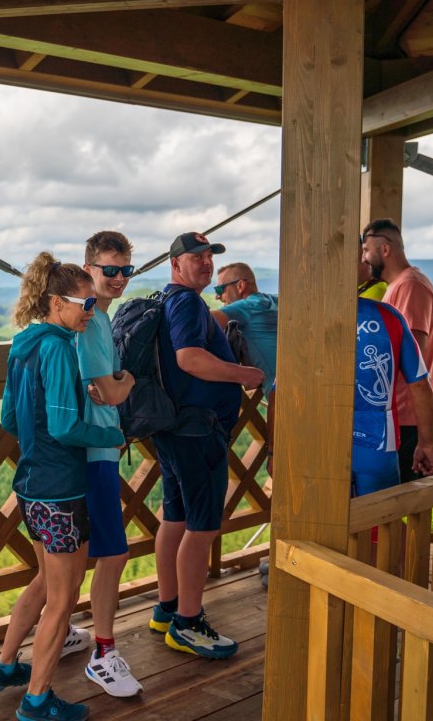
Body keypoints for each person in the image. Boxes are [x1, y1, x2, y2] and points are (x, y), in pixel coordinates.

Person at [0, 252, 125, 721]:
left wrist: (40, 439)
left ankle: (6, 667)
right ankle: (38, 699)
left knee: (46, 582)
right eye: (85, 304)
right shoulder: (61, 348)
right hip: (62, 488)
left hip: (30, 484)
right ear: (56, 302)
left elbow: (9, 418)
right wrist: (109, 434)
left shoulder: (23, 343)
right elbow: (65, 428)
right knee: (62, 600)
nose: (91, 311)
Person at [149, 232, 263, 659]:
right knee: (202, 527)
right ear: (175, 264)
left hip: (173, 427)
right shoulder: (187, 303)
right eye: (195, 257)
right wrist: (244, 374)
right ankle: (188, 623)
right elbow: (189, 359)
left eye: (209, 257)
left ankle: (167, 608)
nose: (205, 263)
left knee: (176, 517)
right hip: (197, 430)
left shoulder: (166, 301)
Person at [76, 231, 142, 697]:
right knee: (113, 554)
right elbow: (110, 391)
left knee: (67, 557)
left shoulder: (90, 316)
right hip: (95, 448)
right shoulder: (93, 321)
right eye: (110, 270)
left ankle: (50, 636)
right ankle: (103, 652)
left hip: (82, 447)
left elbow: (104, 387)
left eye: (126, 270)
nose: (119, 279)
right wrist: (128, 379)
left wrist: (114, 385)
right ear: (89, 269)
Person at [361, 219, 433, 483]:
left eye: (366, 250)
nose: (363, 259)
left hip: (407, 414)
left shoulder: (410, 286)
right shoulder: (400, 286)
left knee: (397, 496)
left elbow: (410, 356)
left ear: (385, 249)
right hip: (398, 413)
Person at [352, 297, 433, 497]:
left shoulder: (304, 316)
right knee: (380, 513)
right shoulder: (388, 316)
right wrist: (426, 443)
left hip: (320, 435)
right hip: (379, 439)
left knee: (323, 513)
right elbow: (420, 385)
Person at [209, 262, 278, 394]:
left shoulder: (248, 307)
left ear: (240, 286)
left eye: (220, 290)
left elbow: (200, 321)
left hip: (283, 395)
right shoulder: (273, 300)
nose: (217, 296)